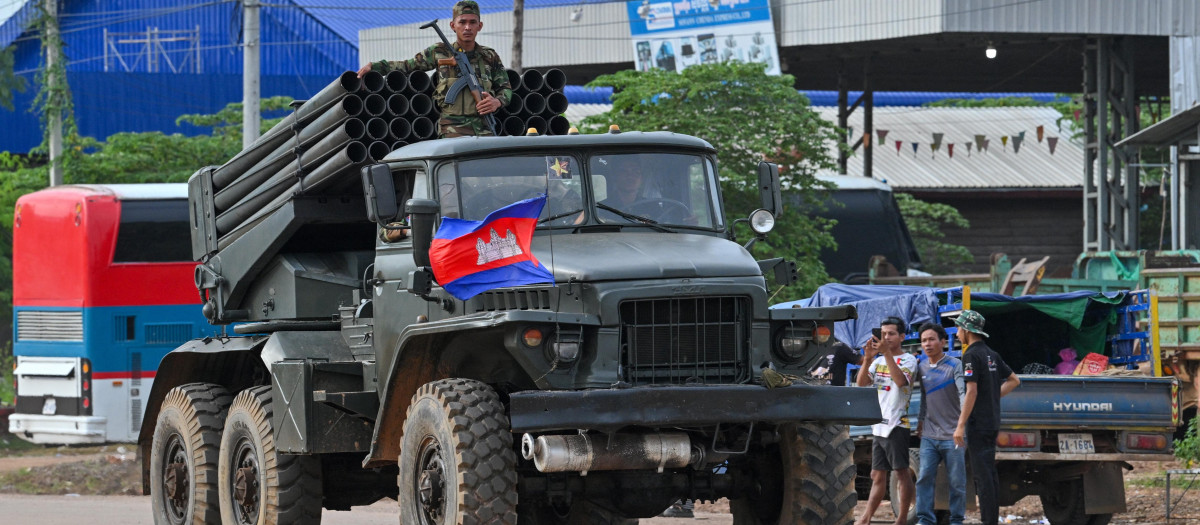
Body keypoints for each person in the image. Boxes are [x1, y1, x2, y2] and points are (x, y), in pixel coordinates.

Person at [357, 1, 511, 138]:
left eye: (472, 22)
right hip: (452, 128)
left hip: (484, 127)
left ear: (480, 26)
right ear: (452, 25)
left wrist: (496, 102)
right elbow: (407, 66)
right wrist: (375, 66)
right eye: (462, 22)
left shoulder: (489, 56)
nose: (467, 27)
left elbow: (505, 88)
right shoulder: (439, 51)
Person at [952, 310, 1021, 525]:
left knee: (983, 478)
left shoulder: (971, 355)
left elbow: (971, 391)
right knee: (989, 475)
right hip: (991, 421)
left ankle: (989, 521)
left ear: (966, 330)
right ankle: (991, 519)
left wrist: (960, 425)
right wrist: (991, 395)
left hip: (978, 424)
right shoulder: (992, 353)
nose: (956, 334)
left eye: (958, 328)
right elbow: (1013, 380)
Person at [855, 316, 919, 525]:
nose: (886, 337)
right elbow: (862, 383)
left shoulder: (909, 359)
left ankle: (901, 520)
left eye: (891, 333)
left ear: (902, 337)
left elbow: (901, 382)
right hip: (879, 425)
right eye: (883, 334)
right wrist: (867, 358)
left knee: (901, 472)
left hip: (897, 424)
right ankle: (865, 518)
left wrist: (886, 353)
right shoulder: (878, 360)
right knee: (876, 474)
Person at [914, 323, 966, 525]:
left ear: (943, 342)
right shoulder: (922, 367)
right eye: (924, 340)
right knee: (924, 478)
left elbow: (963, 394)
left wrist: (961, 425)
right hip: (929, 435)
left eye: (932, 339)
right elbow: (924, 398)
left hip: (953, 435)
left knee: (957, 482)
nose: (927, 344)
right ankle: (925, 519)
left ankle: (957, 520)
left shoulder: (955, 365)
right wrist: (920, 420)